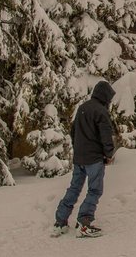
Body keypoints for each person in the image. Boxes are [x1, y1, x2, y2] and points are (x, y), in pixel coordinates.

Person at [52, 80, 116, 238]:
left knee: (74, 188)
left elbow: (73, 132)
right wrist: (109, 154)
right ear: (105, 96)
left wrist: (78, 150)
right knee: (95, 190)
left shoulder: (82, 108)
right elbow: (106, 137)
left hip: (79, 158)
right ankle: (84, 222)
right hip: (94, 159)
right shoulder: (101, 112)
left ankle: (60, 222)